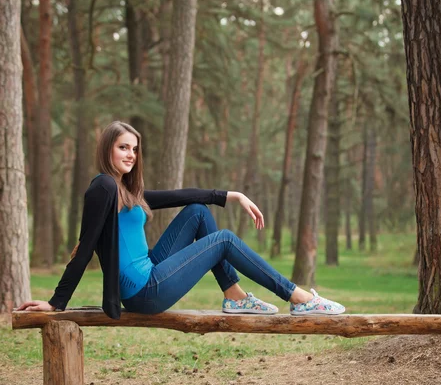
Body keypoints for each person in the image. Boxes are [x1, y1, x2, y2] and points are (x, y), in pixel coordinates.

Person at [18, 121, 345, 317]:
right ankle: (298, 298)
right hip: (143, 292)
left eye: (134, 148)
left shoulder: (124, 191)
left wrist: (231, 196)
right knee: (225, 240)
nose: (131, 154)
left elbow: (179, 196)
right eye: (123, 147)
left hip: (148, 273)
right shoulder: (103, 186)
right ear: (107, 149)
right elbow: (86, 246)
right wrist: (56, 303)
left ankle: (234, 297)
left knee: (198, 212)